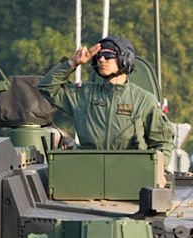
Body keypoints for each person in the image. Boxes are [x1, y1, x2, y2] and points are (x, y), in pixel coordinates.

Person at [38, 36, 174, 156]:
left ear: (125, 59)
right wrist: (72, 63)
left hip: (131, 173)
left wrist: (155, 170)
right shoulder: (84, 95)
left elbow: (163, 142)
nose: (102, 60)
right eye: (99, 56)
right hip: (89, 170)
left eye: (108, 55)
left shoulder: (144, 101)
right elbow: (47, 87)